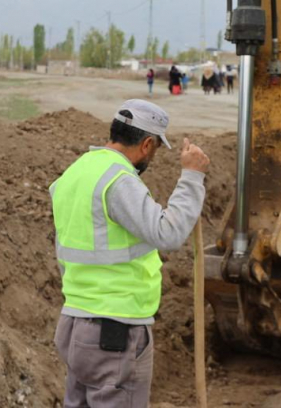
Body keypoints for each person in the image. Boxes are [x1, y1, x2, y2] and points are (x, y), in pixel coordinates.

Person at [50, 99, 210, 408]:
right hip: (115, 332)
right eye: (156, 149)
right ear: (147, 144)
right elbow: (167, 233)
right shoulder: (118, 180)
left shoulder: (75, 172)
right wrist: (191, 177)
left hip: (74, 326)